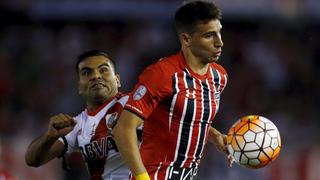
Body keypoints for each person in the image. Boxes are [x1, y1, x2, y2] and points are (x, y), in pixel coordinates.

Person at [113, 1, 234, 180]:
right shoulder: (162, 74)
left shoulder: (219, 77)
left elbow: (182, 117)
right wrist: (142, 178)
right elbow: (123, 129)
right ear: (186, 39)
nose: (219, 42)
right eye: (209, 36)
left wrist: (214, 135)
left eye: (219, 32)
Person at [25, 50, 130, 180]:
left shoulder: (136, 104)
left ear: (117, 80)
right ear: (79, 87)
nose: (96, 76)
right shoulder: (77, 125)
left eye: (103, 70)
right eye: (86, 72)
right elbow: (32, 160)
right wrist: (49, 137)